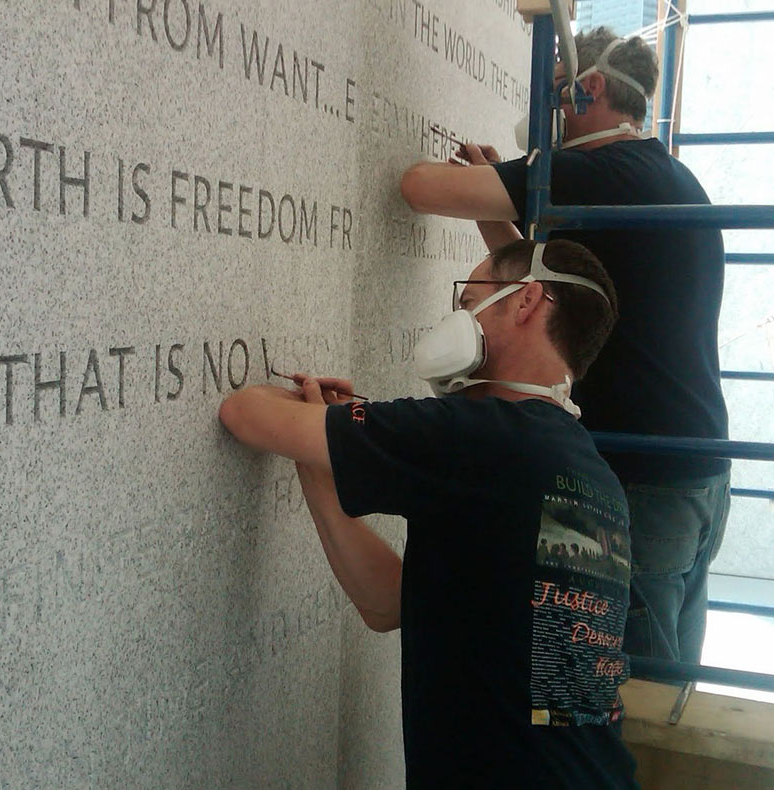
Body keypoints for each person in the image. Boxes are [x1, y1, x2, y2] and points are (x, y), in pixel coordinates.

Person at [219, 239, 637, 789]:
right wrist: (326, 449)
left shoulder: (487, 438)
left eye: (470, 301)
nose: (460, 318)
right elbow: (387, 601)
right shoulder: (588, 473)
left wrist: (318, 424)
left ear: (526, 300)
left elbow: (244, 413)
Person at [399, 27, 730, 665]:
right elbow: (551, 293)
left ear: (591, 87)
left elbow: (419, 186)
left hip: (633, 483)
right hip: (691, 475)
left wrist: (512, 178)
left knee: (604, 680)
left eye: (555, 91)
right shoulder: (666, 176)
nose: (546, 110)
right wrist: (501, 191)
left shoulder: (598, 172)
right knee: (661, 691)